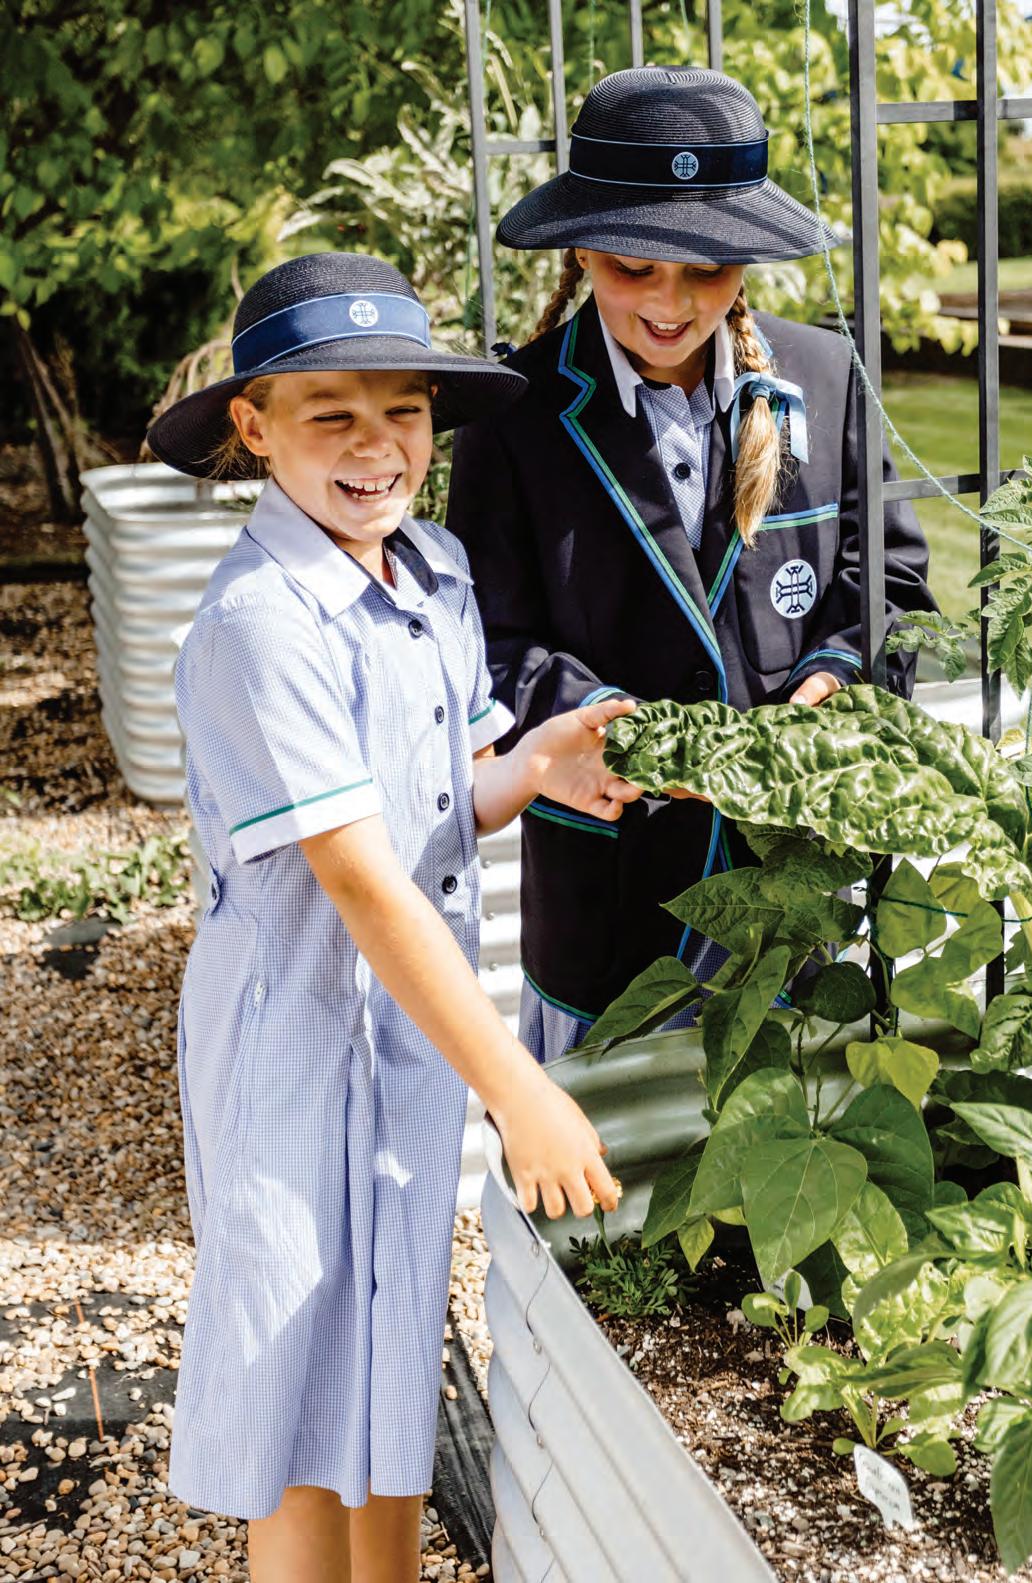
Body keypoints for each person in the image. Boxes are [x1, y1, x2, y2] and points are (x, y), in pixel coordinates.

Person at [146, 251, 637, 1583]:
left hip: (407, 1049)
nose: (378, 447)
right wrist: (519, 1090)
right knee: (301, 1406)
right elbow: (361, 877)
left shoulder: (433, 568)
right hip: (293, 1058)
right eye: (332, 414)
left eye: (404, 410)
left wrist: (532, 768)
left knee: (387, 1364)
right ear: (254, 427)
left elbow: (442, 794)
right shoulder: (259, 623)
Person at [445, 65, 936, 1063]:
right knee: (609, 1155)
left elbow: (890, 585)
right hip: (612, 904)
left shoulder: (826, 379)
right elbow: (487, 640)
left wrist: (831, 683)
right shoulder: (513, 417)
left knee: (798, 1134)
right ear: (583, 248)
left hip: (795, 885)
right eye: (635, 268)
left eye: (708, 271)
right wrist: (610, 728)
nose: (671, 304)